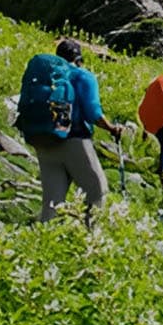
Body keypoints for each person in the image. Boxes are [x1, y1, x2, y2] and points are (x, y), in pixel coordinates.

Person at [31, 38, 124, 223]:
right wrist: (112, 128)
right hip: (74, 141)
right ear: (79, 58)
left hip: (44, 141)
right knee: (97, 191)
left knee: (52, 201)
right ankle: (92, 239)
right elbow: (93, 113)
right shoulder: (83, 76)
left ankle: (45, 240)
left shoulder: (47, 76)